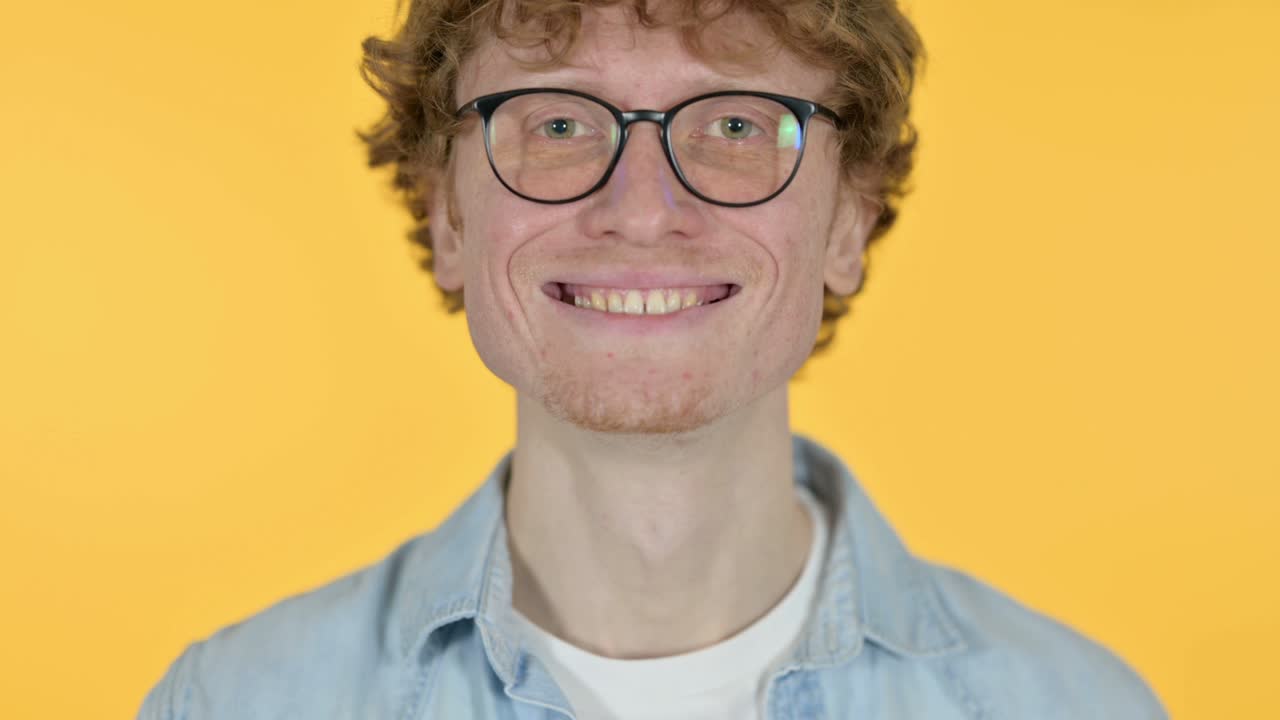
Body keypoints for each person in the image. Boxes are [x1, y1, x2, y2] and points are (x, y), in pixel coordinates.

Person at [139, 0, 1169, 717]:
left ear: (848, 220)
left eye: (732, 123)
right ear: (448, 213)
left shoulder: (1077, 707)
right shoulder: (223, 705)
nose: (638, 211)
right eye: (553, 122)